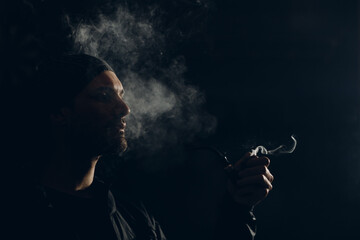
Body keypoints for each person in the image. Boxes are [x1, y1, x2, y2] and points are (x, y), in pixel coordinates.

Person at [4, 54, 273, 240]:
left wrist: (238, 210)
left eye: (121, 96)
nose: (125, 109)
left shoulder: (135, 220)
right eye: (104, 96)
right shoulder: (15, 212)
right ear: (59, 112)